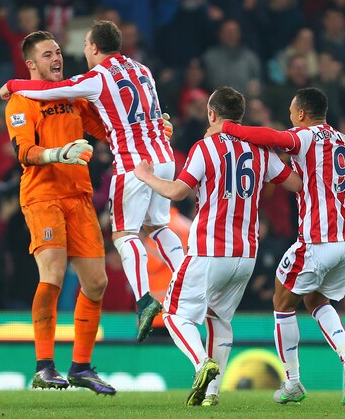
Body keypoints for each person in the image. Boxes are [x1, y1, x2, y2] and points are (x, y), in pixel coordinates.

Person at [0, 20, 183, 342]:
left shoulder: (94, 79)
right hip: (163, 159)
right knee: (159, 227)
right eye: (50, 53)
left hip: (132, 166)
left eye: (79, 46)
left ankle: (144, 301)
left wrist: (12, 84)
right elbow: (127, 118)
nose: (66, 55)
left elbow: (54, 90)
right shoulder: (142, 69)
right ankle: (190, 283)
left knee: (126, 234)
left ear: (95, 48)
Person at [134, 86, 302, 406]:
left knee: (173, 315)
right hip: (245, 255)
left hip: (209, 250)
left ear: (212, 114)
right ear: (239, 116)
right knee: (219, 320)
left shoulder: (204, 147)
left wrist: (145, 175)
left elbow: (177, 192)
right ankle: (212, 394)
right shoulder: (260, 152)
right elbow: (295, 184)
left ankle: (201, 364)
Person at [217, 87, 345, 406]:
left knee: (282, 302)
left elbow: (272, 138)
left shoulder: (306, 136)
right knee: (315, 300)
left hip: (318, 239)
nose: (289, 119)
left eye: (291, 113)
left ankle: (293, 382)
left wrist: (227, 127)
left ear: (301, 114)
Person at [3, 30, 115, 395]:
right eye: (48, 54)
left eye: (58, 52)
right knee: (52, 272)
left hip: (79, 196)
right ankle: (44, 366)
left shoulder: (69, 95)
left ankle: (81, 367)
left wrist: (146, 133)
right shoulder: (21, 101)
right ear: (31, 65)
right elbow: (24, 151)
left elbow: (104, 129)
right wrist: (56, 153)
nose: (57, 58)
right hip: (43, 196)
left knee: (96, 282)